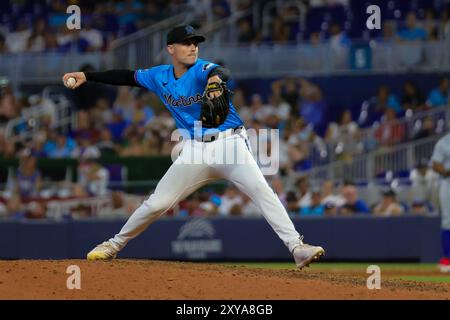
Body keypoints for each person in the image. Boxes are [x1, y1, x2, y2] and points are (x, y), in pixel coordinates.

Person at [62, 25, 324, 269]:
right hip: (195, 151)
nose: (192, 47)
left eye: (195, 43)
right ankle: (113, 245)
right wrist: (86, 75)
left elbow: (220, 72)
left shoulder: (202, 69)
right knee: (156, 203)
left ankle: (296, 247)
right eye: (186, 43)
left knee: (262, 191)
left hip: (230, 145)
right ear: (170, 49)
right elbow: (126, 77)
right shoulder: (158, 76)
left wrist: (215, 81)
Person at [431, 132, 450, 273]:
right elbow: (436, 164)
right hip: (448, 183)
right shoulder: (444, 142)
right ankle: (447, 260)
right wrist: (447, 171)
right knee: (448, 221)